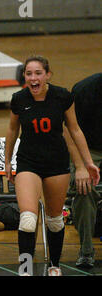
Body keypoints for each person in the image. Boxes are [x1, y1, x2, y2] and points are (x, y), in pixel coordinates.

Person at [4, 56, 100, 276]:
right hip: (28, 163)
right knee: (28, 219)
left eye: (38, 73)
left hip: (56, 164)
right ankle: (26, 270)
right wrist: (8, 161)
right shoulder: (19, 99)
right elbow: (12, 131)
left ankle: (54, 266)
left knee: (55, 219)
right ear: (24, 77)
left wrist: (87, 164)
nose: (33, 78)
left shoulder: (62, 97)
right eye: (29, 73)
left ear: (48, 75)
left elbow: (74, 130)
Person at [64, 73, 101, 268]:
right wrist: (80, 167)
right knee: (84, 188)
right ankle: (86, 250)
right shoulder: (85, 90)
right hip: (89, 151)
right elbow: (70, 130)